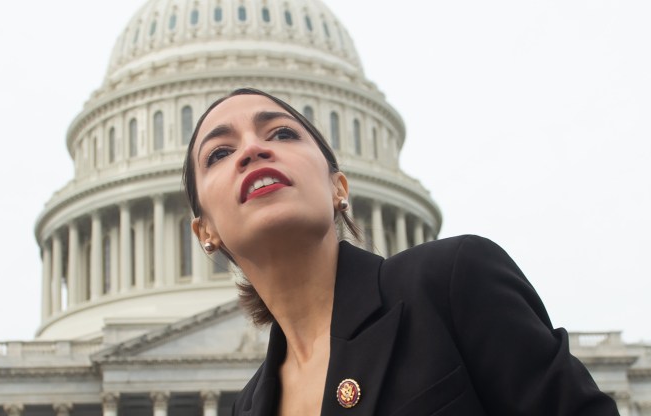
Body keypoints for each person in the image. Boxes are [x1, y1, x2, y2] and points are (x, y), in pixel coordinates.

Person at [182, 88, 618, 415]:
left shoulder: (453, 281)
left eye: (281, 133)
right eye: (220, 152)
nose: (253, 150)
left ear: (339, 187)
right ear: (206, 231)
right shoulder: (249, 406)